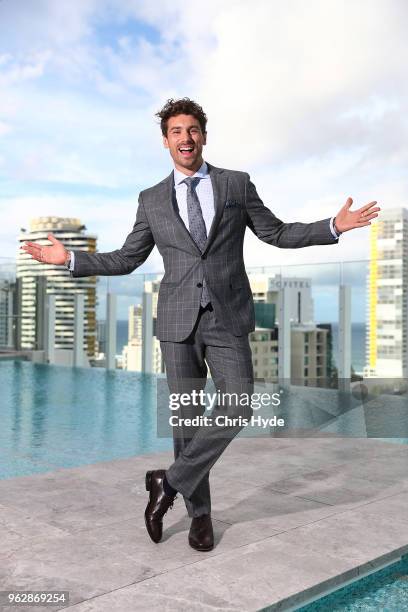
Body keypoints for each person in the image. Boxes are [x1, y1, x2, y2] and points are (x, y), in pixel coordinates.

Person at [21, 97, 380, 552]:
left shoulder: (235, 184)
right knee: (187, 420)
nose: (185, 138)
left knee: (239, 402)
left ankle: (166, 482)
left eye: (192, 130)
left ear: (204, 136)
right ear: (165, 141)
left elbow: (277, 233)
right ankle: (200, 517)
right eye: (176, 131)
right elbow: (128, 258)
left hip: (227, 315)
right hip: (176, 319)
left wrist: (333, 226)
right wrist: (70, 258)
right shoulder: (151, 199)